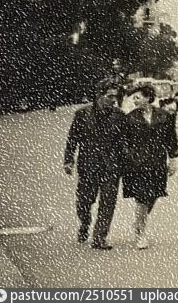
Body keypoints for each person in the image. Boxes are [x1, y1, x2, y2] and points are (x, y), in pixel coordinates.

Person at [63, 81, 124, 250]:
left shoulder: (119, 115)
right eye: (110, 96)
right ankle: (85, 223)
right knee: (83, 202)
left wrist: (126, 163)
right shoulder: (82, 114)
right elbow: (72, 138)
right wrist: (68, 160)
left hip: (111, 166)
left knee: (108, 203)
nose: (113, 99)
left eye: (115, 96)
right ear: (99, 95)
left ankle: (99, 238)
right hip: (88, 165)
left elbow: (124, 142)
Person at [117, 83, 178, 250]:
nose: (135, 101)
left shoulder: (164, 116)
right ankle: (140, 233)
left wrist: (173, 159)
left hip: (158, 162)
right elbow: (124, 142)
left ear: (148, 98)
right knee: (142, 198)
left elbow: (171, 139)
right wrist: (129, 157)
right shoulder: (130, 118)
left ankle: (139, 220)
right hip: (137, 164)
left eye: (138, 97)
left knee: (154, 195)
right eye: (134, 98)